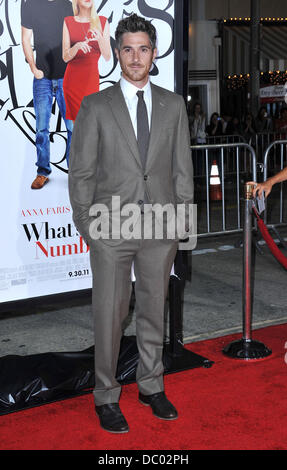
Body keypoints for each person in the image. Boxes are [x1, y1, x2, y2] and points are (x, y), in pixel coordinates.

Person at [68, 14, 194, 433]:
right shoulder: (96, 105)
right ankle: (106, 394)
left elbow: (182, 170)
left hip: (160, 228)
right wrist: (88, 226)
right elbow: (81, 172)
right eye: (128, 49)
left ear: (153, 53)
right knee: (110, 313)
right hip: (110, 227)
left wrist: (179, 225)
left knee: (153, 312)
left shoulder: (173, 105)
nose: (136, 57)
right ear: (117, 54)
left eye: (143, 48)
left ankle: (151, 385)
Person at [21, 0, 74, 189]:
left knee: (73, 129)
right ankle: (42, 172)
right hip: (41, 77)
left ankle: (74, 174)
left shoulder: (67, 5)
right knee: (41, 128)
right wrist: (33, 68)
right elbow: (26, 38)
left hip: (67, 77)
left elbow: (74, 36)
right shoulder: (30, 5)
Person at [62, 0, 111, 121]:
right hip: (72, 82)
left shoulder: (102, 21)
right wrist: (77, 46)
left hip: (91, 81)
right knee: (77, 129)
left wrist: (100, 38)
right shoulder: (68, 21)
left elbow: (107, 56)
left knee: (91, 124)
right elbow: (65, 57)